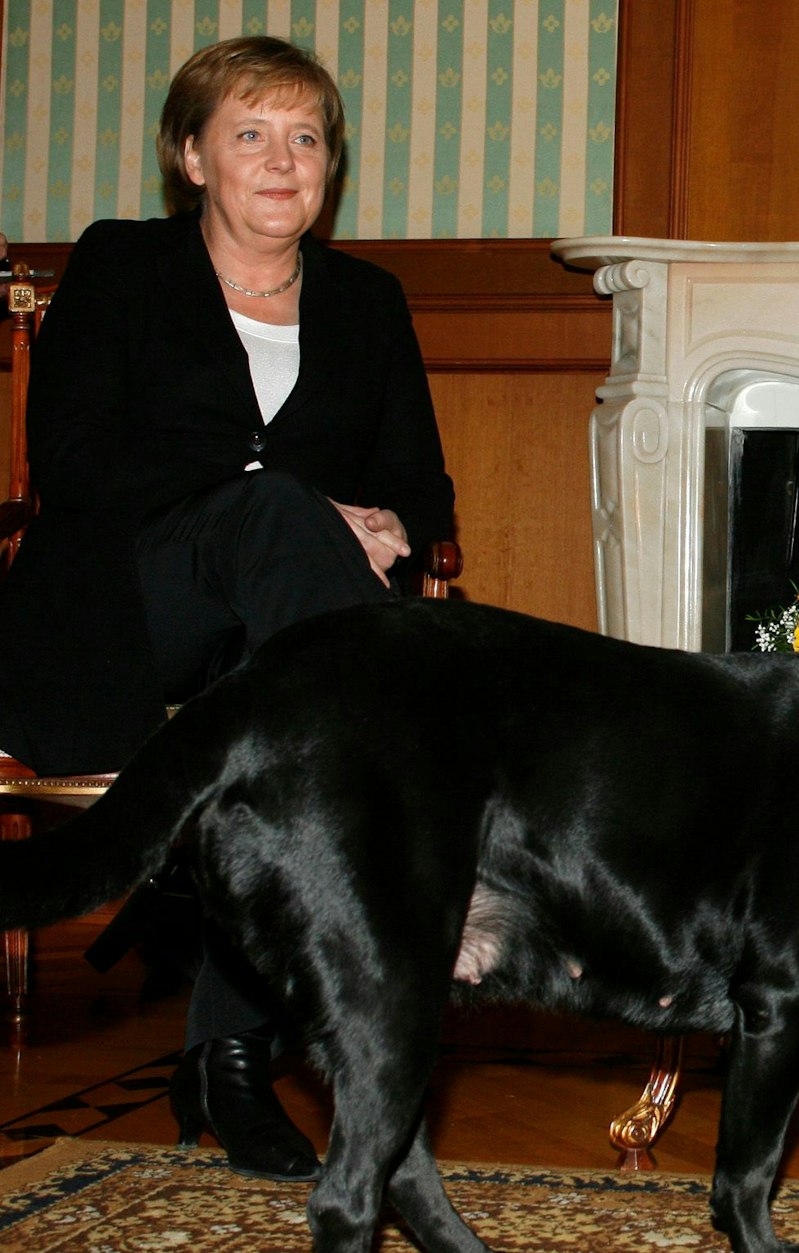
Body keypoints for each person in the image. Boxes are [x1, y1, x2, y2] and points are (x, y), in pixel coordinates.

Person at [0, 37, 454, 1181]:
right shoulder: (122, 266)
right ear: (191, 154)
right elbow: (70, 455)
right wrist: (286, 500)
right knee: (300, 586)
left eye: (306, 138)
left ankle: (229, 1057)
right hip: (119, 608)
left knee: (293, 734)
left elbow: (422, 485)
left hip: (272, 637)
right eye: (250, 132)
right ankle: (415, 854)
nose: (282, 159)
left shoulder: (367, 301)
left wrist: (390, 520)